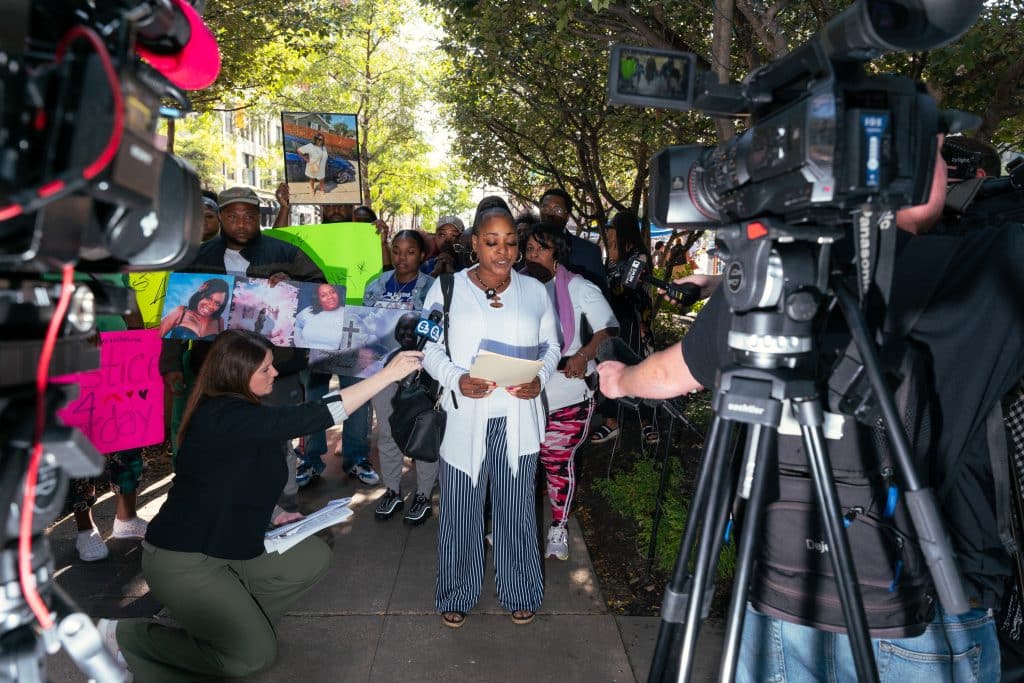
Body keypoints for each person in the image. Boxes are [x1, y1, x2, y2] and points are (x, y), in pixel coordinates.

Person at [599, 137, 1023, 681]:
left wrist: (616, 380)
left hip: (787, 591)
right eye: (935, 147)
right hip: (933, 610)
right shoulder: (989, 269)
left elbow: (667, 376)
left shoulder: (765, 281)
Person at [105, 330, 423, 681]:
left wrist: (275, 514)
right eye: (266, 368)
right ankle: (129, 639)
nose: (275, 372)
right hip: (184, 561)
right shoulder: (225, 416)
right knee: (252, 659)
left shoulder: (240, 412)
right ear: (238, 375)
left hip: (228, 547)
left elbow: (237, 479)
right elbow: (316, 415)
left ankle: (232, 632)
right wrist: (386, 375)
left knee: (309, 558)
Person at [421, 196, 561, 629]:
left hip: (517, 417)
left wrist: (540, 378)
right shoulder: (446, 288)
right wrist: (455, 377)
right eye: (491, 241)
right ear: (474, 245)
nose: (503, 251)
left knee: (517, 511)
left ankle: (519, 589)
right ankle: (456, 591)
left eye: (510, 242)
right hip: (466, 416)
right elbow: (427, 348)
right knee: (461, 510)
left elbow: (551, 347)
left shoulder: (536, 290)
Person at [522, 222, 616, 560]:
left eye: (540, 248)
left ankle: (558, 527)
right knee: (521, 463)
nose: (532, 254)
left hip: (568, 394)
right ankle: (514, 523)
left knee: (556, 462)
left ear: (557, 252)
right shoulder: (516, 286)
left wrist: (583, 354)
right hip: (524, 393)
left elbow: (608, 329)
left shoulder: (579, 288)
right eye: (529, 248)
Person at [590, 211, 658, 445]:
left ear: (623, 230)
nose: (608, 232)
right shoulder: (611, 258)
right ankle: (611, 422)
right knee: (610, 367)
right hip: (611, 323)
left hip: (634, 323)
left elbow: (626, 290)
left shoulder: (639, 257)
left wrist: (615, 258)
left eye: (612, 228)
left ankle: (646, 421)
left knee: (638, 368)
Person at [370, 312, 441, 524]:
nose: (408, 334)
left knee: (423, 438)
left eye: (413, 329)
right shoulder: (387, 358)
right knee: (387, 436)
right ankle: (392, 491)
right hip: (385, 382)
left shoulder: (432, 289)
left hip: (426, 382)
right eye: (403, 329)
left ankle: (423, 496)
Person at [538, 188, 607, 292]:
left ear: (568, 216)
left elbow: (602, 295)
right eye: (545, 208)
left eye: (557, 210)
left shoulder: (589, 252)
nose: (550, 214)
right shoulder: (527, 248)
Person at [158, 277, 230, 341]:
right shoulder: (180, 312)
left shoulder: (219, 321)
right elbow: (154, 339)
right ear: (201, 293)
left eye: (217, 303)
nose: (211, 306)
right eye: (208, 298)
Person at [293, 283, 347, 350]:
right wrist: (299, 343)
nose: (330, 297)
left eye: (333, 292)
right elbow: (296, 325)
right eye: (323, 295)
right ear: (318, 300)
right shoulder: (308, 311)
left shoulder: (348, 313)